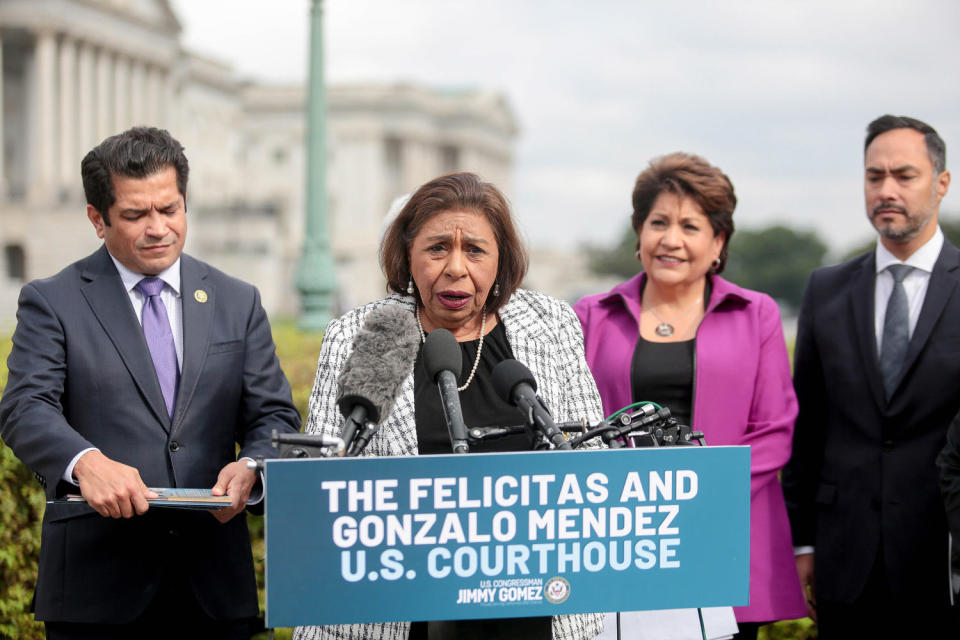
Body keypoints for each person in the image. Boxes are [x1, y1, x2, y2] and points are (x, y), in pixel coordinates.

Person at [0, 127, 301, 639]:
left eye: (171, 209)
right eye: (136, 215)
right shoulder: (53, 301)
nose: (158, 228)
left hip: (215, 590)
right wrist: (84, 463)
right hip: (97, 594)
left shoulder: (238, 300)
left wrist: (252, 465)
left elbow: (274, 417)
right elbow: (26, 407)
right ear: (98, 219)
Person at [294, 172, 605, 640]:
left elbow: (591, 458)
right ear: (408, 255)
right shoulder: (356, 334)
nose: (456, 267)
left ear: (501, 260)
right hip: (397, 612)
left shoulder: (551, 322)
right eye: (438, 248)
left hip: (535, 604)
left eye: (475, 250)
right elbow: (320, 480)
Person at [574, 153, 806, 639]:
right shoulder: (591, 315)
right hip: (618, 541)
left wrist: (693, 498)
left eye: (691, 226)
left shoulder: (756, 314)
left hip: (723, 535)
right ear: (639, 233)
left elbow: (774, 431)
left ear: (718, 241)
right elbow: (570, 426)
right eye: (658, 222)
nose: (671, 239)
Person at [782, 115, 958, 638]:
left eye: (904, 176)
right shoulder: (826, 289)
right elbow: (806, 424)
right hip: (843, 558)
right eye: (873, 176)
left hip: (944, 556)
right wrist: (804, 542)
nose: (886, 190)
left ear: (941, 183)